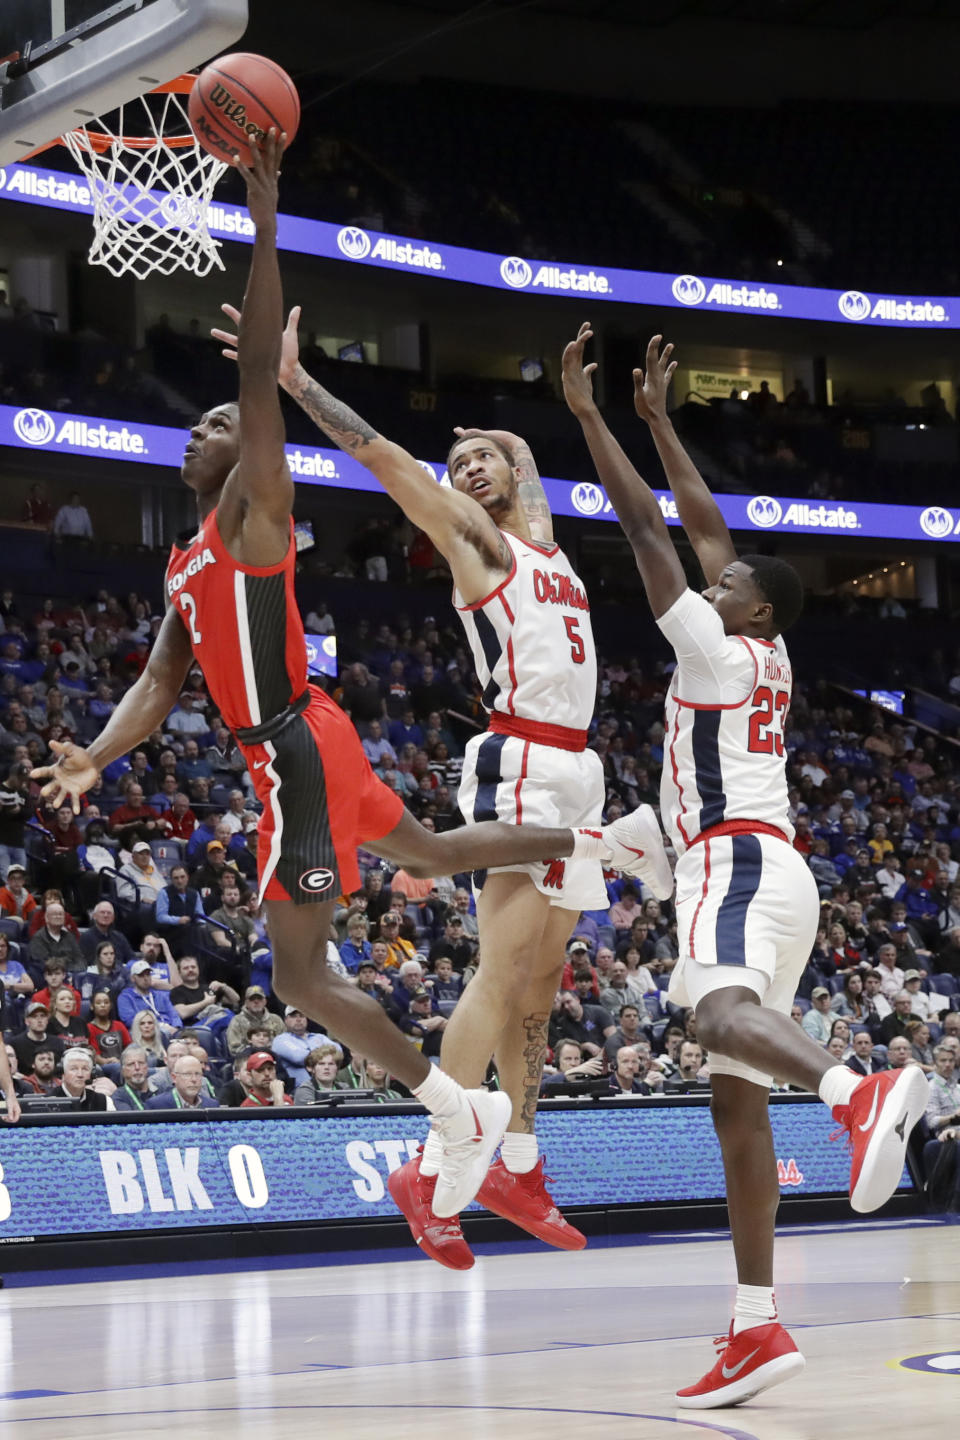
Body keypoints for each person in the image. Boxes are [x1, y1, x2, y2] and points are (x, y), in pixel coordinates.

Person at [35, 138, 651, 1226]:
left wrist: (265, 232)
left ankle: (448, 1111)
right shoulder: (181, 563)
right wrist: (96, 752)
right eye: (207, 422)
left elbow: (259, 397)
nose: (205, 427)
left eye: (220, 421)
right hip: (322, 736)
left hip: (291, 745)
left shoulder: (252, 511)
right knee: (428, 852)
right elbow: (159, 679)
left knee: (299, 980)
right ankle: (602, 847)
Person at [214, 278, 671, 1267]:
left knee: (543, 979)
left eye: (487, 458)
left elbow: (533, 480)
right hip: (519, 760)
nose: (472, 466)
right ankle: (429, 1168)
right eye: (459, 463)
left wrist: (550, 425)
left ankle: (519, 1151)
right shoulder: (472, 539)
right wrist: (299, 384)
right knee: (501, 969)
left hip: (576, 767)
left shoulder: (542, 542)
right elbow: (385, 460)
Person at [560, 324, 929, 1408]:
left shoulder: (720, 650)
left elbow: (649, 532)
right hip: (771, 874)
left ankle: (856, 1096)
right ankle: (758, 1324)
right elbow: (712, 533)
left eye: (727, 588)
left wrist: (591, 419)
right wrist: (667, 425)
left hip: (738, 870)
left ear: (753, 609)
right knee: (733, 1108)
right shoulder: (762, 641)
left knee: (714, 1017)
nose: (708, 588)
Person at [146, 1053, 220, 1110]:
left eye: (197, 1074)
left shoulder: (212, 1105)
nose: (194, 1079)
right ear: (174, 1078)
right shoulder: (157, 1105)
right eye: (187, 1074)